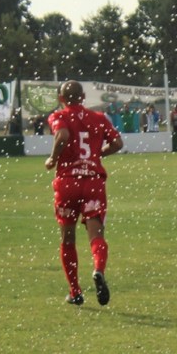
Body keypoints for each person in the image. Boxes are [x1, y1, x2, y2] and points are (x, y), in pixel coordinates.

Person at [45, 80, 124, 306]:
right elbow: (118, 143)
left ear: (61, 99)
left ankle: (75, 291)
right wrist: (97, 156)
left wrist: (53, 158)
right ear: (83, 97)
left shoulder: (59, 116)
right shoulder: (98, 118)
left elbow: (62, 136)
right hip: (93, 182)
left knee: (67, 239)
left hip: (67, 182)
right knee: (96, 234)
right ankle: (98, 269)